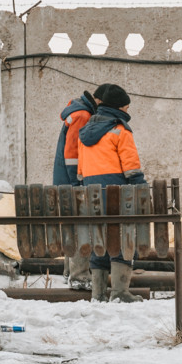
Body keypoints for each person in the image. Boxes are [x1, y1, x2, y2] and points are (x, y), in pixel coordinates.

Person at [78, 84, 146, 303]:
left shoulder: (85, 132)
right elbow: (132, 167)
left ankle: (97, 294)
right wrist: (141, 189)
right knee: (123, 237)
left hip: (91, 192)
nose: (127, 111)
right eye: (126, 107)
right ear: (119, 107)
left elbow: (80, 171)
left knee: (100, 238)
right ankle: (119, 292)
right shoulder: (120, 130)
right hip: (117, 191)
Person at [53, 84, 110, 290]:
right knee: (80, 227)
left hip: (63, 179)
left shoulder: (76, 110)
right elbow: (72, 153)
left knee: (72, 225)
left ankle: (69, 272)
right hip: (71, 180)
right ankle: (79, 277)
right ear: (100, 102)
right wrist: (77, 182)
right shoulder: (83, 116)